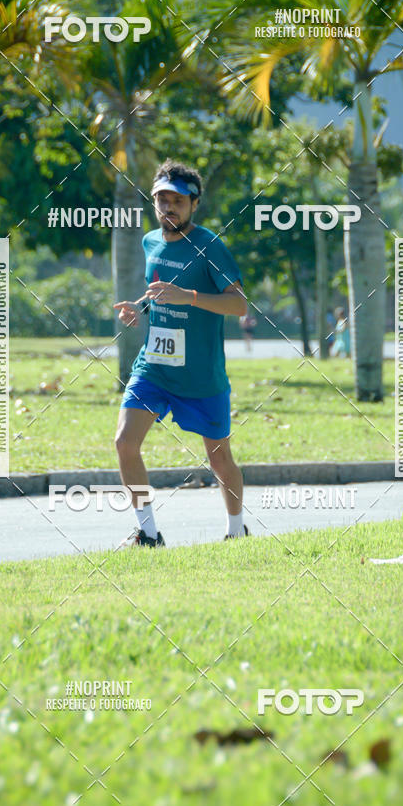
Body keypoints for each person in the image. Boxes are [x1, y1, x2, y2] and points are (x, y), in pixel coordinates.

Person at [113, 159, 250, 547]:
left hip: (201, 376)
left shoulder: (209, 245)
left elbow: (239, 305)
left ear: (194, 203)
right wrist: (137, 310)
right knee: (125, 443)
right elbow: (157, 293)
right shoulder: (149, 242)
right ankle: (148, 533)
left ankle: (237, 530)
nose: (167, 207)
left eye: (177, 200)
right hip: (154, 368)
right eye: (161, 200)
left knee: (220, 459)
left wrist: (188, 296)